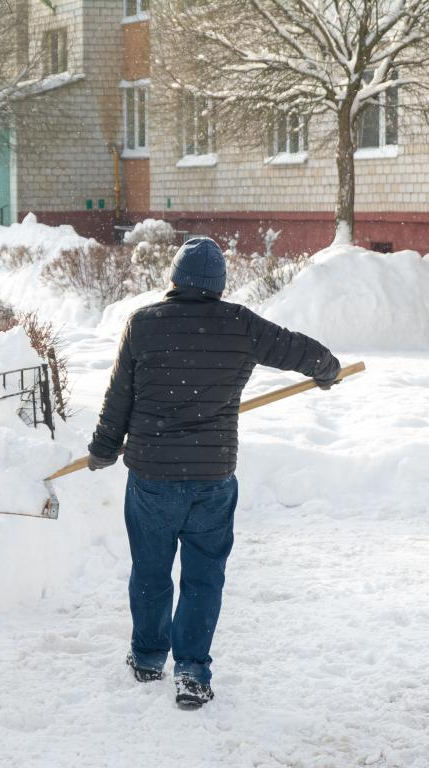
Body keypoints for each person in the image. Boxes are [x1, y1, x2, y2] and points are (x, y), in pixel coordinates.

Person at [87, 236, 341, 709]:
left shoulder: (143, 325)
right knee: (204, 575)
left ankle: (147, 657)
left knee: (151, 568)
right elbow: (296, 349)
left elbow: (118, 397)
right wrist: (326, 368)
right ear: (219, 285)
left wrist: (103, 449)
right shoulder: (240, 325)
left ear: (175, 280)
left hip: (152, 477)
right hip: (212, 478)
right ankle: (192, 671)